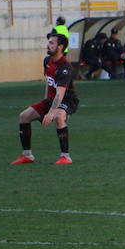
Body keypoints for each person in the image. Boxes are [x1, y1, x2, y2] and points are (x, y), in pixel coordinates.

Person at [10, 34, 78, 166]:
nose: (48, 45)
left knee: (58, 117)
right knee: (24, 116)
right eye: (48, 42)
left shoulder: (65, 67)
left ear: (60, 47)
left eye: (52, 43)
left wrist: (51, 113)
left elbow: (60, 94)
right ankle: (27, 155)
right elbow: (49, 83)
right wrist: (45, 103)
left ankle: (65, 157)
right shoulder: (47, 61)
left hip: (67, 100)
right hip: (51, 100)